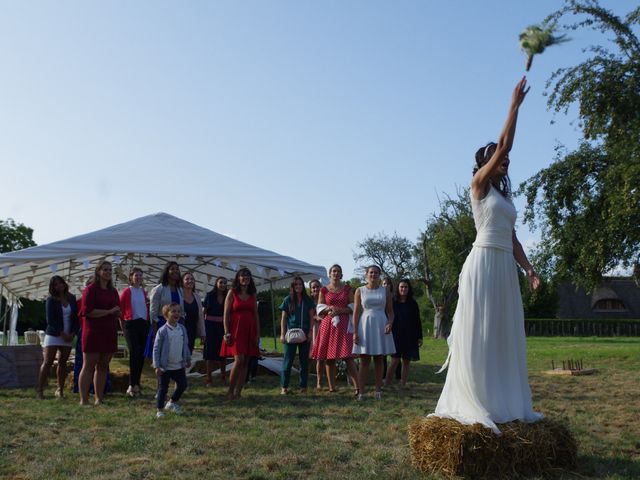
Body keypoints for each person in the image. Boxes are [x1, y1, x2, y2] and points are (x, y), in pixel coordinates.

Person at [431, 77, 543, 434]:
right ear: (485, 162)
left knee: (502, 333)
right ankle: (476, 398)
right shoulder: (479, 185)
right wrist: (514, 106)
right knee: (479, 332)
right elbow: (505, 143)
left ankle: (503, 400)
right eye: (498, 156)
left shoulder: (505, 200)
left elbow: (513, 240)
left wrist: (528, 269)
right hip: (481, 265)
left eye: (505, 157)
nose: (505, 158)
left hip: (504, 267)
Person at [311, 264, 359, 394]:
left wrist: (340, 310)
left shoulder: (348, 289)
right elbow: (320, 308)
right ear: (330, 274)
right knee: (329, 358)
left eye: (338, 271)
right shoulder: (324, 290)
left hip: (344, 324)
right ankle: (332, 387)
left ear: (341, 274)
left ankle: (357, 387)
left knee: (348, 357)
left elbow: (353, 307)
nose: (336, 273)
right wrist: (329, 308)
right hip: (328, 324)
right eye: (333, 271)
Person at [78, 261, 120, 405]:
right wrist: (109, 312)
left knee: (103, 366)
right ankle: (83, 400)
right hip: (93, 332)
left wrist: (117, 313)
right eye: (105, 269)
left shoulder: (113, 291)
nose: (108, 272)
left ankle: (99, 398)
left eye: (110, 270)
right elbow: (87, 312)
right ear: (98, 271)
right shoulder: (90, 290)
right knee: (88, 366)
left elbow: (117, 309)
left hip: (109, 332)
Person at [352, 265, 395, 400]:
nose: (373, 275)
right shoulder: (360, 290)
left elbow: (390, 312)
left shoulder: (385, 290)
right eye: (371, 272)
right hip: (365, 325)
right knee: (364, 360)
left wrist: (390, 323)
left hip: (381, 324)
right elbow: (356, 312)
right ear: (366, 274)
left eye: (376, 273)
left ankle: (378, 391)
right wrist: (354, 332)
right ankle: (361, 392)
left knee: (379, 359)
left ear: (379, 275)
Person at [220, 268, 260, 400]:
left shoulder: (252, 294)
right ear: (238, 278)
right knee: (239, 359)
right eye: (243, 276)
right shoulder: (232, 292)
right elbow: (225, 314)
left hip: (250, 329)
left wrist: (257, 334)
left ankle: (238, 392)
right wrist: (226, 332)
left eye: (248, 276)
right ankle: (230, 391)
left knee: (246, 361)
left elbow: (255, 314)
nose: (245, 278)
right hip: (235, 330)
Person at [36, 276, 80, 399]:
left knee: (63, 363)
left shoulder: (72, 298)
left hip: (69, 335)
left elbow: (76, 319)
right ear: (52, 287)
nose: (59, 286)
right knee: (48, 361)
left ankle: (59, 389)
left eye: (60, 283)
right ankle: (39, 390)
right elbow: (50, 320)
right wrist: (62, 333)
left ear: (64, 284)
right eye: (56, 284)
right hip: (54, 334)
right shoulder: (51, 300)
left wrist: (72, 333)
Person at [153, 302, 191, 418]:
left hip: (178, 365)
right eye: (173, 311)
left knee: (183, 385)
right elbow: (156, 349)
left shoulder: (182, 329)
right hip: (165, 367)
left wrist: (188, 358)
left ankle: (172, 402)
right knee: (163, 389)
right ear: (166, 315)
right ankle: (159, 409)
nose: (177, 313)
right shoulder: (163, 331)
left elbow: (186, 345)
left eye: (179, 311)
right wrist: (157, 366)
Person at [279, 277, 315, 394]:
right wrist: (282, 334)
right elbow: (283, 318)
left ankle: (303, 387)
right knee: (288, 361)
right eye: (296, 285)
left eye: (300, 284)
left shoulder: (308, 300)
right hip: (291, 334)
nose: (298, 286)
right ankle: (284, 387)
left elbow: (311, 318)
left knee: (304, 361)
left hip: (304, 333)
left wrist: (310, 332)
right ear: (293, 287)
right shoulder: (287, 300)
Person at [384, 278, 422, 388]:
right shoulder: (393, 302)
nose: (403, 289)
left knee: (406, 360)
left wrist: (419, 337)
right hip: (396, 334)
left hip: (410, 335)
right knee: (395, 360)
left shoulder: (413, 303)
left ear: (409, 289)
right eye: (401, 287)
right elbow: (388, 316)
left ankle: (403, 384)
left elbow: (417, 320)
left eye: (406, 287)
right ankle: (387, 383)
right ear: (398, 288)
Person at [119, 267, 150, 398]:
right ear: (131, 277)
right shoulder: (127, 291)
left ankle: (137, 383)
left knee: (141, 354)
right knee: (134, 352)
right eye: (136, 275)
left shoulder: (143, 292)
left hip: (143, 324)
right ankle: (132, 384)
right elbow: (120, 309)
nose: (138, 278)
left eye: (140, 276)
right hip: (130, 324)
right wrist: (123, 325)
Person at [145, 262, 183, 358]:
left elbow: (182, 311)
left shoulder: (180, 290)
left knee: (174, 356)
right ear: (167, 272)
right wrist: (155, 333)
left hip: (177, 326)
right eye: (172, 269)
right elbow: (153, 313)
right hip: (161, 324)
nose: (175, 271)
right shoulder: (158, 289)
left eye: (177, 269)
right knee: (162, 357)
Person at [202, 277, 228, 386]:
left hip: (223, 327)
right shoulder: (209, 295)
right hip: (210, 326)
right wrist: (202, 329)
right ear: (216, 283)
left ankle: (223, 376)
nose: (223, 284)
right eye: (221, 282)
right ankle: (209, 378)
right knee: (210, 352)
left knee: (223, 352)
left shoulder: (228, 296)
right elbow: (203, 312)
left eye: (225, 283)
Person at [181, 271, 205, 354]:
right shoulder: (179, 295)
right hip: (179, 330)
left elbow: (200, 316)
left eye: (192, 279)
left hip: (192, 330)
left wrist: (202, 332)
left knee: (188, 354)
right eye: (187, 279)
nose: (190, 281)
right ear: (182, 282)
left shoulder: (197, 296)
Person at [308, 279, 325, 390]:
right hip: (314, 328)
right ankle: (305, 376)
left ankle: (319, 381)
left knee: (321, 357)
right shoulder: (309, 302)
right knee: (310, 356)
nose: (315, 289)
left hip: (324, 328)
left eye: (317, 287)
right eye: (313, 287)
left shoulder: (324, 300)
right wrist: (316, 317)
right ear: (310, 290)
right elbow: (309, 315)